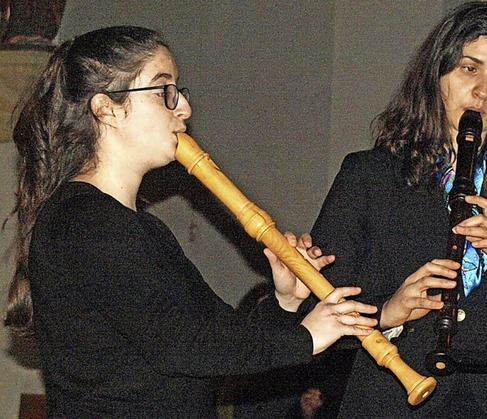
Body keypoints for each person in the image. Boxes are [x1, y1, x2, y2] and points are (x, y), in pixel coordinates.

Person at [3, 25, 378, 418]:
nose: (183, 108)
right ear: (106, 108)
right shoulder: (83, 223)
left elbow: (218, 340)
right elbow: (185, 347)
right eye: (164, 91)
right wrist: (306, 338)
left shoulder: (138, 227)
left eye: (179, 91)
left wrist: (285, 302)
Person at [301, 2, 487, 418]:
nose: (484, 91)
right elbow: (315, 305)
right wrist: (389, 312)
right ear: (436, 74)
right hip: (393, 397)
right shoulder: (369, 175)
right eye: (468, 69)